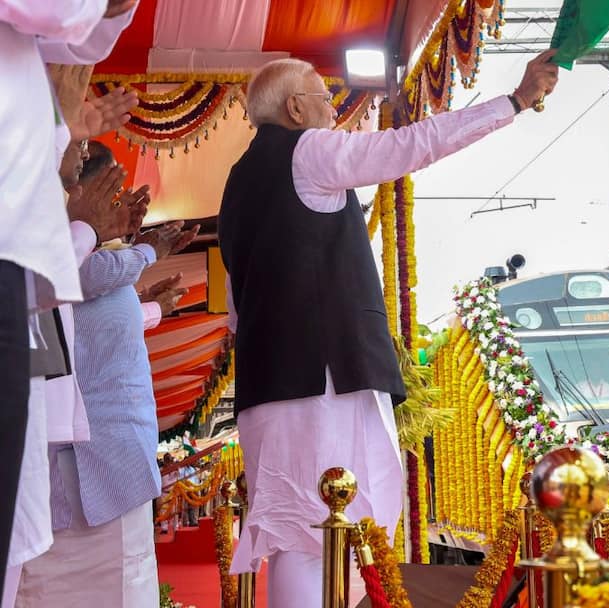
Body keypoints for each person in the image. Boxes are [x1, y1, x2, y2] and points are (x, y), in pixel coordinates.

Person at [217, 52, 558, 604]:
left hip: (270, 385)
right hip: (322, 381)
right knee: (328, 528)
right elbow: (409, 146)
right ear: (296, 107)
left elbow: (238, 310)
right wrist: (513, 102)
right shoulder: (309, 150)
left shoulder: (236, 184)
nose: (333, 110)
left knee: (294, 537)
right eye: (325, 98)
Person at [0, 4, 137, 599]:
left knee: (13, 537)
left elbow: (78, 38)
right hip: (37, 354)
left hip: (29, 341)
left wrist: (60, 127)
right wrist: (88, 231)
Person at [16, 220, 194, 606]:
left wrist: (148, 306)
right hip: (58, 482)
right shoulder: (52, 247)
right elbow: (74, 276)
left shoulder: (99, 262)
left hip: (114, 475)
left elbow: (90, 328)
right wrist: (147, 250)